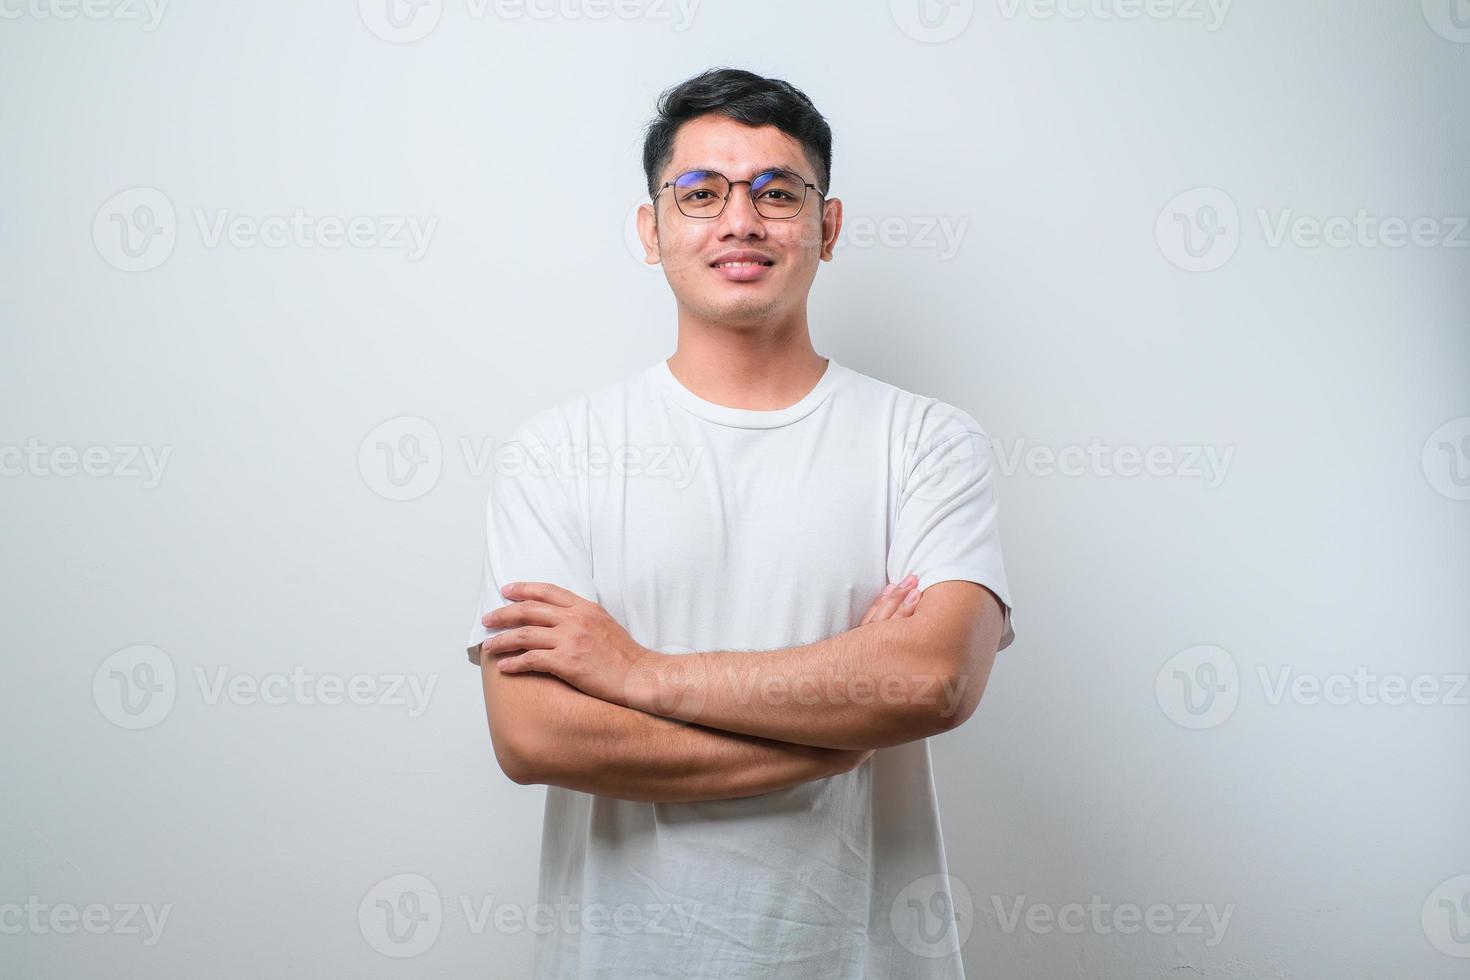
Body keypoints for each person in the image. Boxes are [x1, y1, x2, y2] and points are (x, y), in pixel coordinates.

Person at [464, 66, 1015, 979]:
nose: (740, 221)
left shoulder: (925, 441)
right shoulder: (557, 451)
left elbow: (927, 684)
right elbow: (534, 737)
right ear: (653, 229)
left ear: (826, 227)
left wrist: (633, 672)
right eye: (701, 193)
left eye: (778, 192)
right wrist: (835, 732)